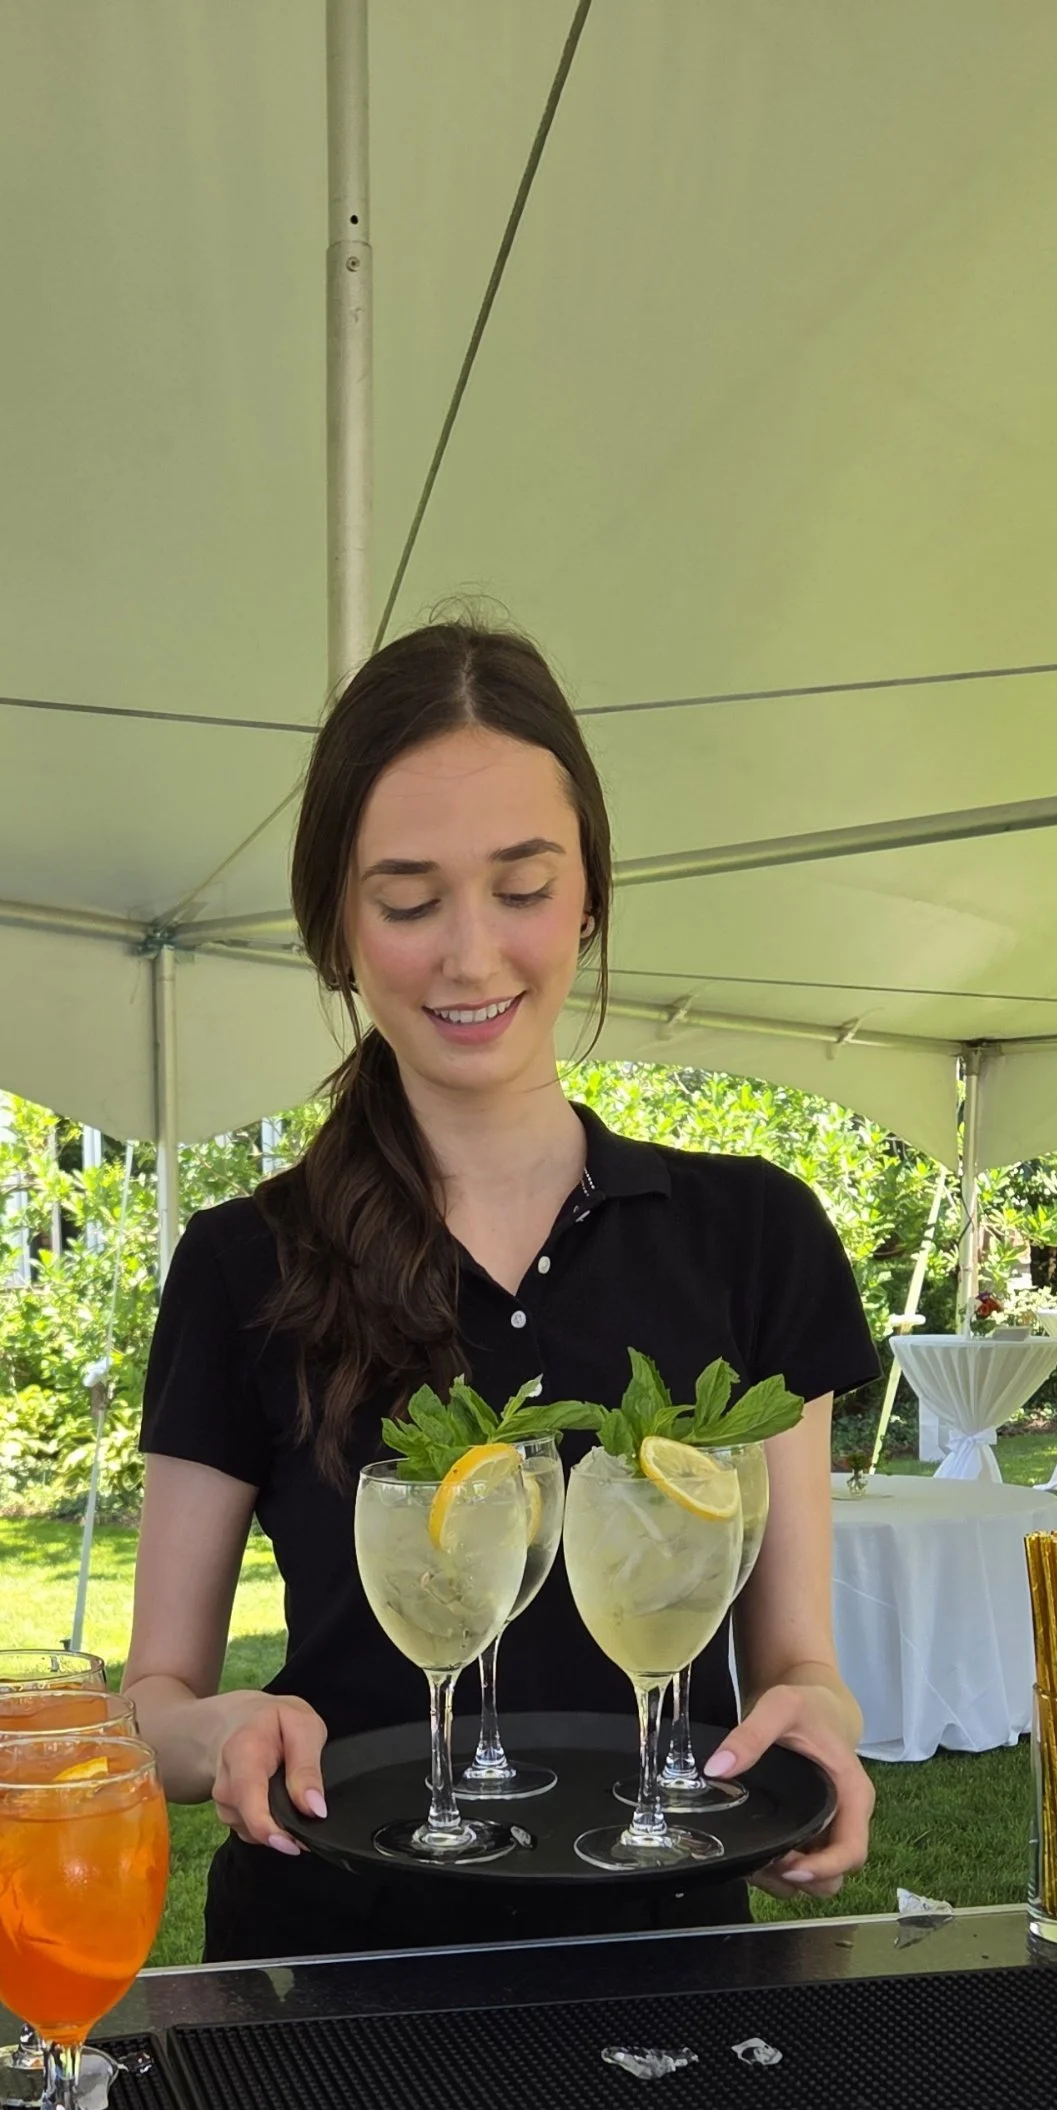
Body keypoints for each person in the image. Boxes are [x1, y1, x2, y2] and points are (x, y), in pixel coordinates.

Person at [124, 620, 880, 1964]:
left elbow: (791, 1660)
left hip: (666, 1954)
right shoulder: (247, 1262)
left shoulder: (751, 1234)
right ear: (340, 932)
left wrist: (815, 1718)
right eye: (408, 902)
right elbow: (151, 1703)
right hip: (333, 1969)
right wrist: (223, 1729)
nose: (468, 956)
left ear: (589, 894)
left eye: (520, 888)